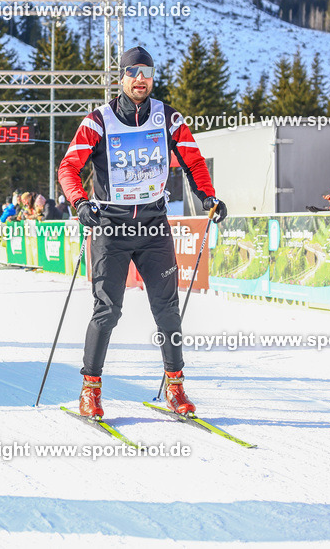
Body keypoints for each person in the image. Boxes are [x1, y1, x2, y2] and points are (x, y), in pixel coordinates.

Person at [58, 46, 227, 419]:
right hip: (110, 229)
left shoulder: (168, 117)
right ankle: (90, 390)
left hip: (152, 226)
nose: (140, 79)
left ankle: (175, 386)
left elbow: (193, 160)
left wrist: (208, 196)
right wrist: (80, 202)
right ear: (120, 78)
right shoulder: (98, 121)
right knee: (108, 310)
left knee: (167, 310)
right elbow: (69, 167)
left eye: (147, 72)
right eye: (133, 72)